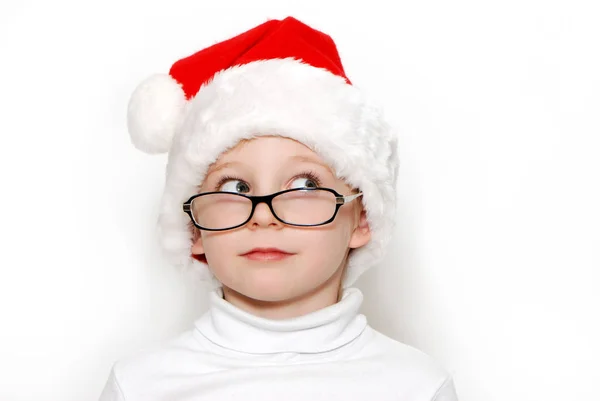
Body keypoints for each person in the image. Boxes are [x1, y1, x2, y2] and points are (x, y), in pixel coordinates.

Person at [99, 16, 459, 401]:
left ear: (363, 216)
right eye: (235, 187)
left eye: (305, 184)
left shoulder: (417, 386)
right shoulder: (141, 386)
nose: (264, 216)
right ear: (195, 229)